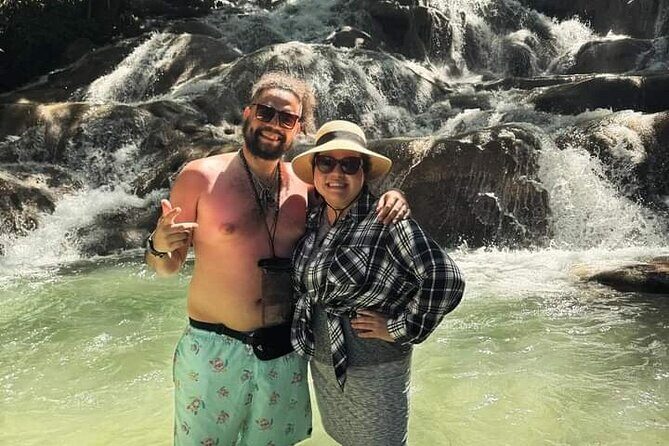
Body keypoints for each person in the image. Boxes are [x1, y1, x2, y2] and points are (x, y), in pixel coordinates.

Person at [145, 73, 411, 446]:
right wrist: (157, 245)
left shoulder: (306, 187)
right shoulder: (199, 177)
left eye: (287, 118)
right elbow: (167, 266)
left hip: (285, 351)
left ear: (298, 128)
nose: (274, 124)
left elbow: (351, 200)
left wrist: (394, 195)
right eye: (266, 112)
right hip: (214, 347)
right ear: (248, 113)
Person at [290, 120, 465, 446]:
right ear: (314, 170)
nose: (336, 173)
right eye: (326, 162)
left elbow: (446, 280)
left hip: (374, 368)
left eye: (349, 164)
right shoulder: (314, 218)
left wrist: (398, 328)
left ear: (364, 173)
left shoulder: (386, 220)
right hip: (326, 365)